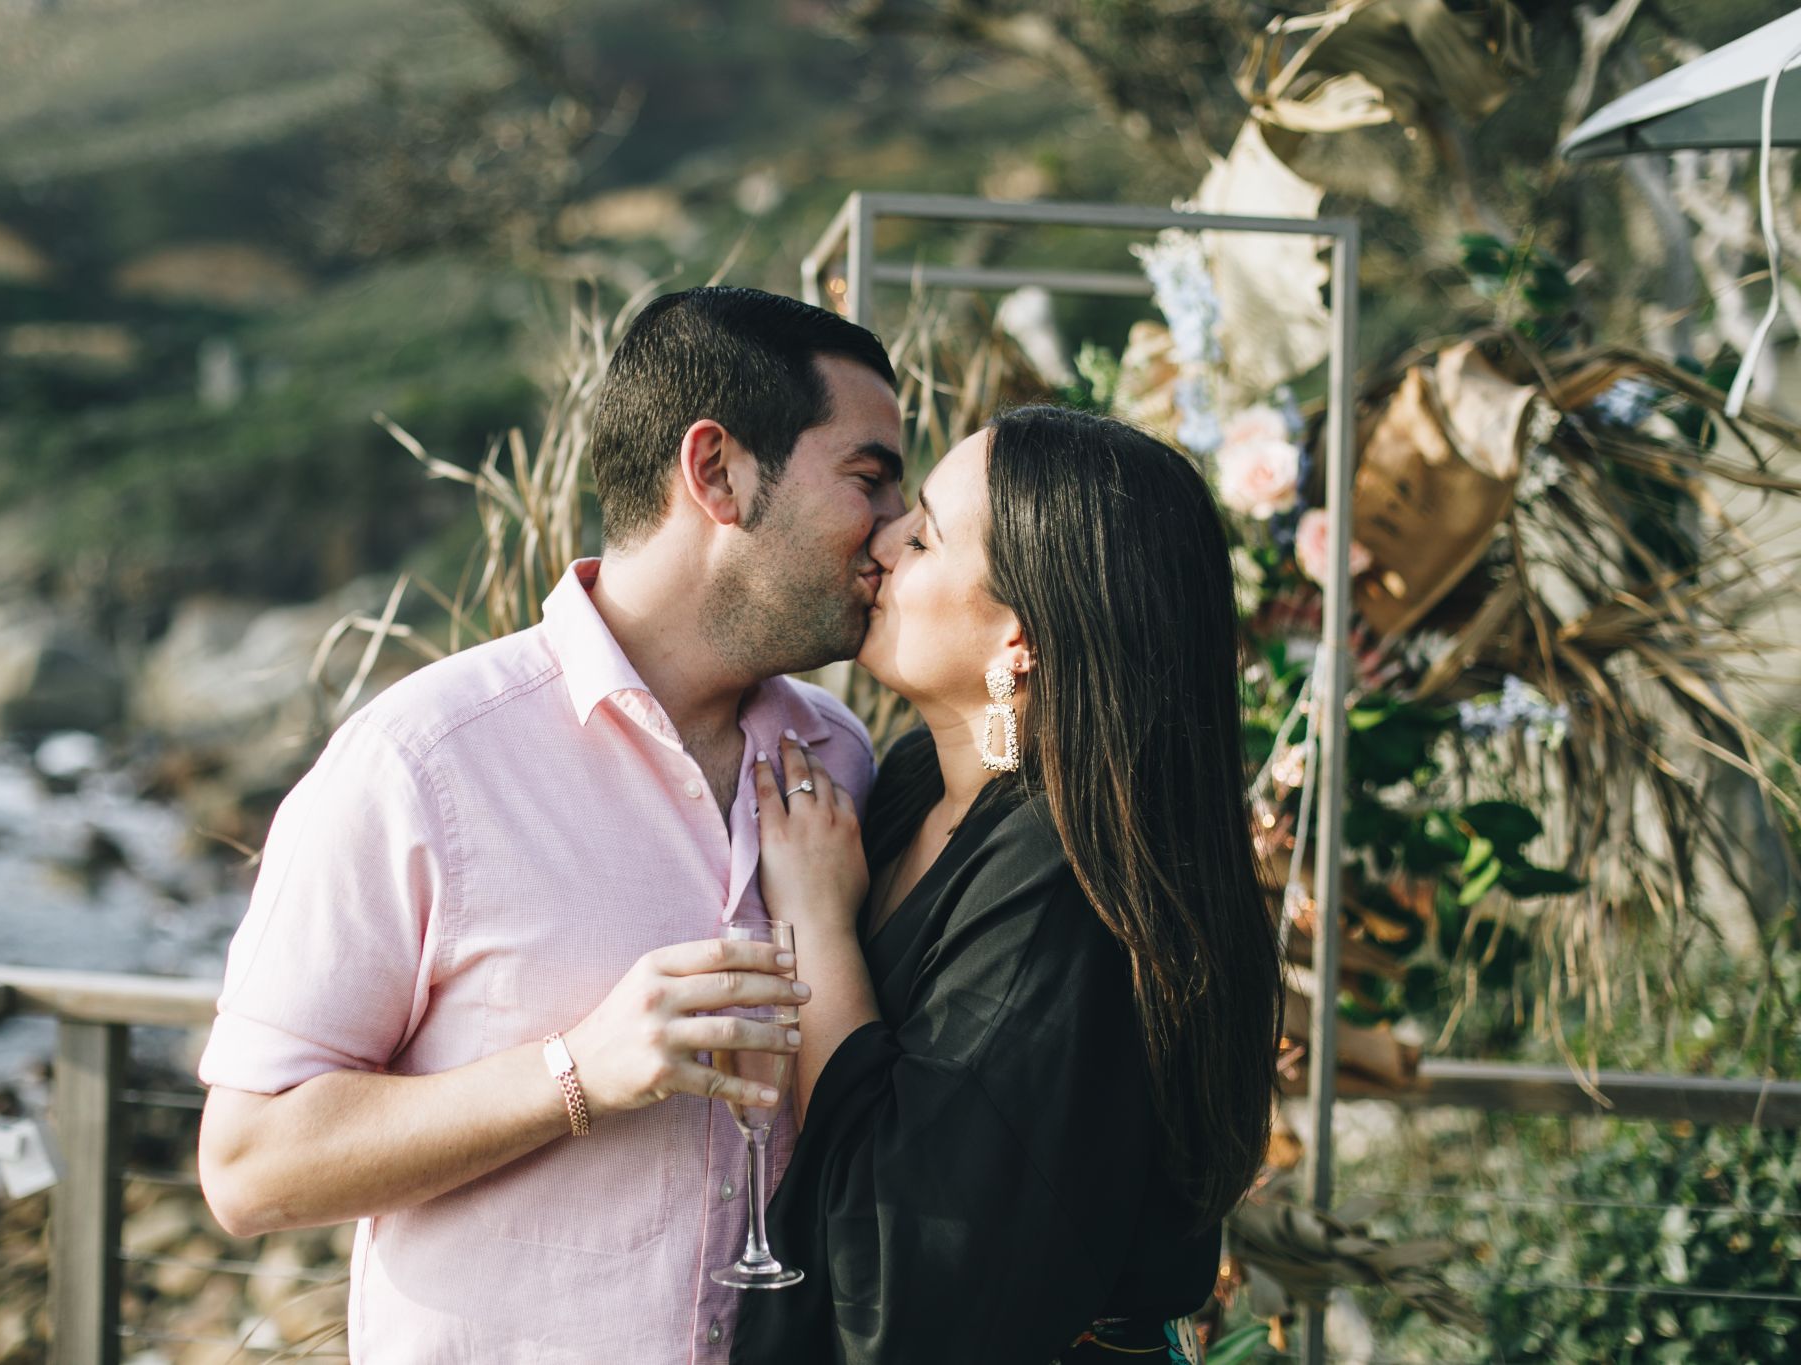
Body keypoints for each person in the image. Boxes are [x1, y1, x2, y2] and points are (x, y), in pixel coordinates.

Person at [194, 286, 907, 1363]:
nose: (894, 531)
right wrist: (575, 1070)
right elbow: (248, 1167)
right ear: (717, 472)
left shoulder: (838, 761)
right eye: (867, 478)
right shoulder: (422, 765)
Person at [731, 405, 1285, 1365]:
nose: (883, 537)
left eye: (927, 532)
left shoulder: (1065, 882)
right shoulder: (904, 783)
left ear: (1018, 639)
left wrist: (818, 923)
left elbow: (912, 1278)